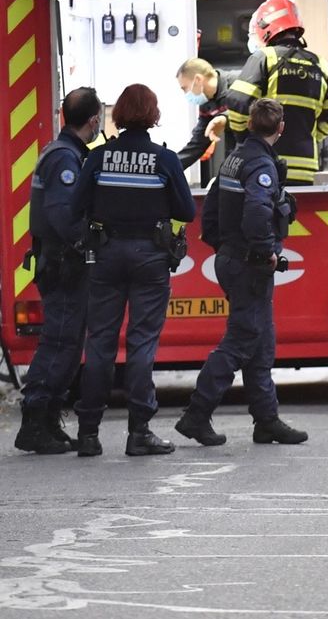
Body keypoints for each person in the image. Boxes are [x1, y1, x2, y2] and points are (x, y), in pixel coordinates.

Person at [72, 83, 196, 457]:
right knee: (142, 342)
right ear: (153, 114)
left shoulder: (98, 157)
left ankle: (89, 433)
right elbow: (187, 212)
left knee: (100, 343)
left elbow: (77, 203)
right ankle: (139, 432)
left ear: (119, 113)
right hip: (150, 257)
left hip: (106, 254)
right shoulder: (165, 159)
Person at [175, 99, 307, 447]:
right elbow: (256, 213)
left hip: (234, 258)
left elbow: (213, 206)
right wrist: (265, 252)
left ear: (249, 124)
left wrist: (224, 247)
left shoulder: (233, 157)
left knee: (261, 342)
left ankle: (267, 420)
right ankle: (196, 415)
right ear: (280, 129)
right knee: (240, 341)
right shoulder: (261, 164)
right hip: (249, 263)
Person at [14, 88, 102, 454]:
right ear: (94, 120)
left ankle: (47, 420)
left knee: (65, 342)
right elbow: (63, 215)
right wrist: (89, 242)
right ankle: (35, 420)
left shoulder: (65, 153)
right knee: (60, 342)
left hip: (61, 262)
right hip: (64, 264)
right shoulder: (65, 159)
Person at [225, 0, 328, 185]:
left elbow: (237, 101)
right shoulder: (321, 64)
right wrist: (307, 137)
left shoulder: (265, 58)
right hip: (306, 169)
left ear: (265, 29)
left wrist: (245, 138)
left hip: (265, 164)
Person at [175, 57, 241, 171]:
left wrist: (225, 118)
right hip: (236, 157)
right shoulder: (207, 103)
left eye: (184, 88)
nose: (186, 94)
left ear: (198, 80)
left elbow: (254, 110)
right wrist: (169, 167)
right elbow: (198, 143)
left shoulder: (241, 82)